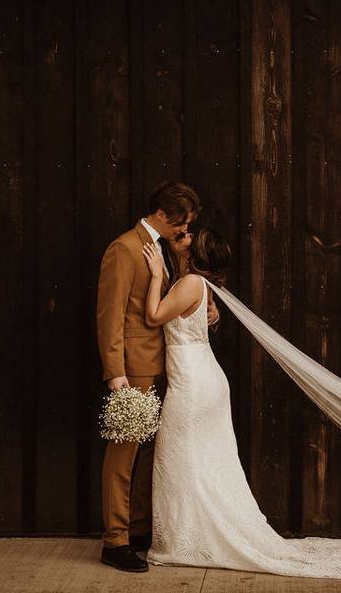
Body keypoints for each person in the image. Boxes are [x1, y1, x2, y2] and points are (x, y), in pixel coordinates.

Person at [139, 228, 341, 581]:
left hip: (193, 383)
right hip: (200, 377)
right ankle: (189, 537)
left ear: (197, 253)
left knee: (179, 456)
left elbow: (154, 317)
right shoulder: (198, 286)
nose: (184, 237)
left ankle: (182, 541)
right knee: (200, 460)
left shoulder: (189, 283)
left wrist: (156, 275)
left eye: (191, 236)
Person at [95, 181, 219, 573]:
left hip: (170, 369)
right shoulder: (124, 248)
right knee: (123, 454)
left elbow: (177, 299)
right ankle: (115, 541)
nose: (186, 232)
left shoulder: (165, 249)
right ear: (163, 216)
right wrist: (116, 374)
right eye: (181, 223)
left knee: (150, 455)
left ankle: (139, 530)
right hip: (134, 370)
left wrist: (208, 309)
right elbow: (109, 317)